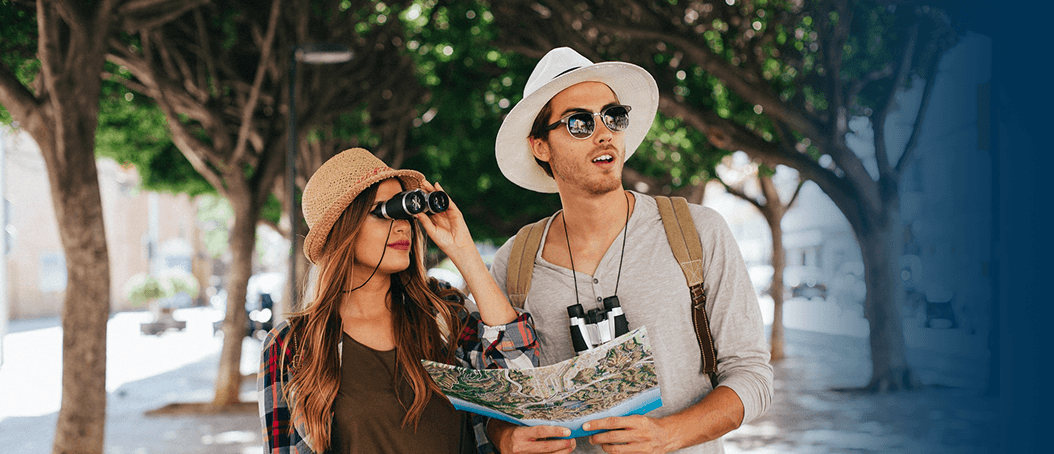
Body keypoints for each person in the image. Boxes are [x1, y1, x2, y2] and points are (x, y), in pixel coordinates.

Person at [487, 47, 773, 453]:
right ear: (540, 146)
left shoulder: (698, 232)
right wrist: (506, 439)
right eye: (579, 122)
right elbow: (497, 400)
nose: (603, 132)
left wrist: (668, 434)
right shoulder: (514, 261)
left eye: (613, 116)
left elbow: (752, 378)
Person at [258, 148, 539, 454]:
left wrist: (463, 251)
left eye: (405, 211)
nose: (403, 225)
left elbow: (524, 382)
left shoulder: (442, 312)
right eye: (384, 212)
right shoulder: (292, 345)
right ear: (343, 229)